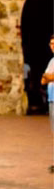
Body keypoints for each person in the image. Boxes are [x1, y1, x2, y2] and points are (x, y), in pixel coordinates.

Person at [41, 35, 54, 172]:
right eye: (51, 43)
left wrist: (49, 77)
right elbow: (43, 80)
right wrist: (48, 77)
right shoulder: (51, 61)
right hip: (52, 98)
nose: (52, 46)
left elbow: (49, 77)